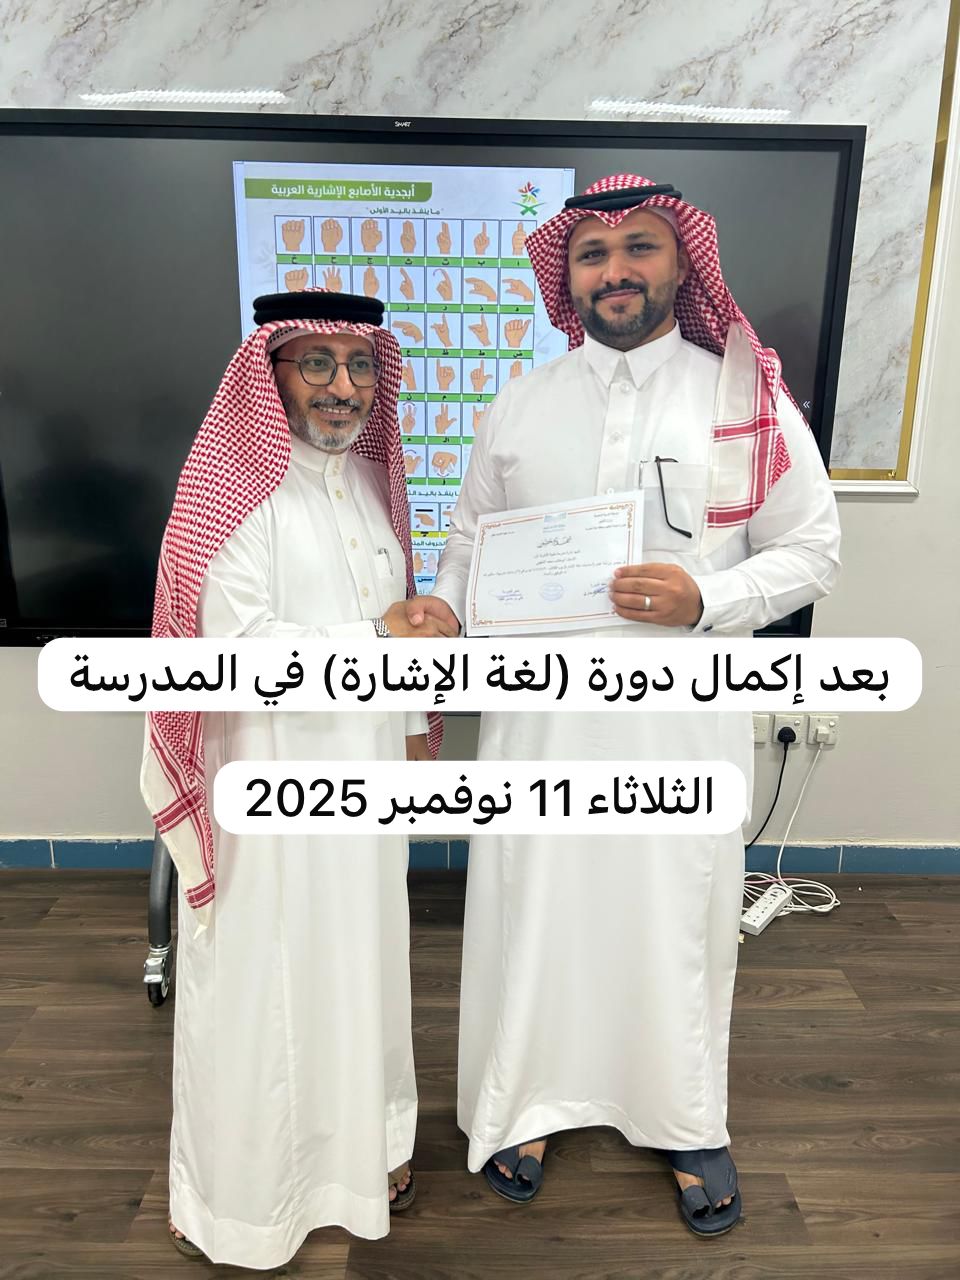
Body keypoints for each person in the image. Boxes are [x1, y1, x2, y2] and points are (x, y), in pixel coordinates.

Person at [429, 176, 841, 1236]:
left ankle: (685, 1115)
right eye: (592, 253)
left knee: (674, 915)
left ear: (681, 262)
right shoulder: (520, 402)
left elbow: (813, 549)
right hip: (539, 725)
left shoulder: (743, 399)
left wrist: (710, 597)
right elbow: (470, 546)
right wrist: (447, 611)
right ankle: (524, 1100)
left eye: (640, 247)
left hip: (681, 723)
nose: (615, 270)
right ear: (566, 277)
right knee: (537, 907)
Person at [140, 289, 455, 1268]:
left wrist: (414, 723)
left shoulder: (368, 486)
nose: (342, 386)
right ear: (270, 374)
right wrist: (376, 639)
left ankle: (362, 1156)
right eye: (316, 362)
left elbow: (400, 617)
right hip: (266, 784)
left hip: (365, 783)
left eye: (360, 365)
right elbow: (235, 650)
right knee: (263, 984)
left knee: (362, 964)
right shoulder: (235, 493)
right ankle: (237, 1200)